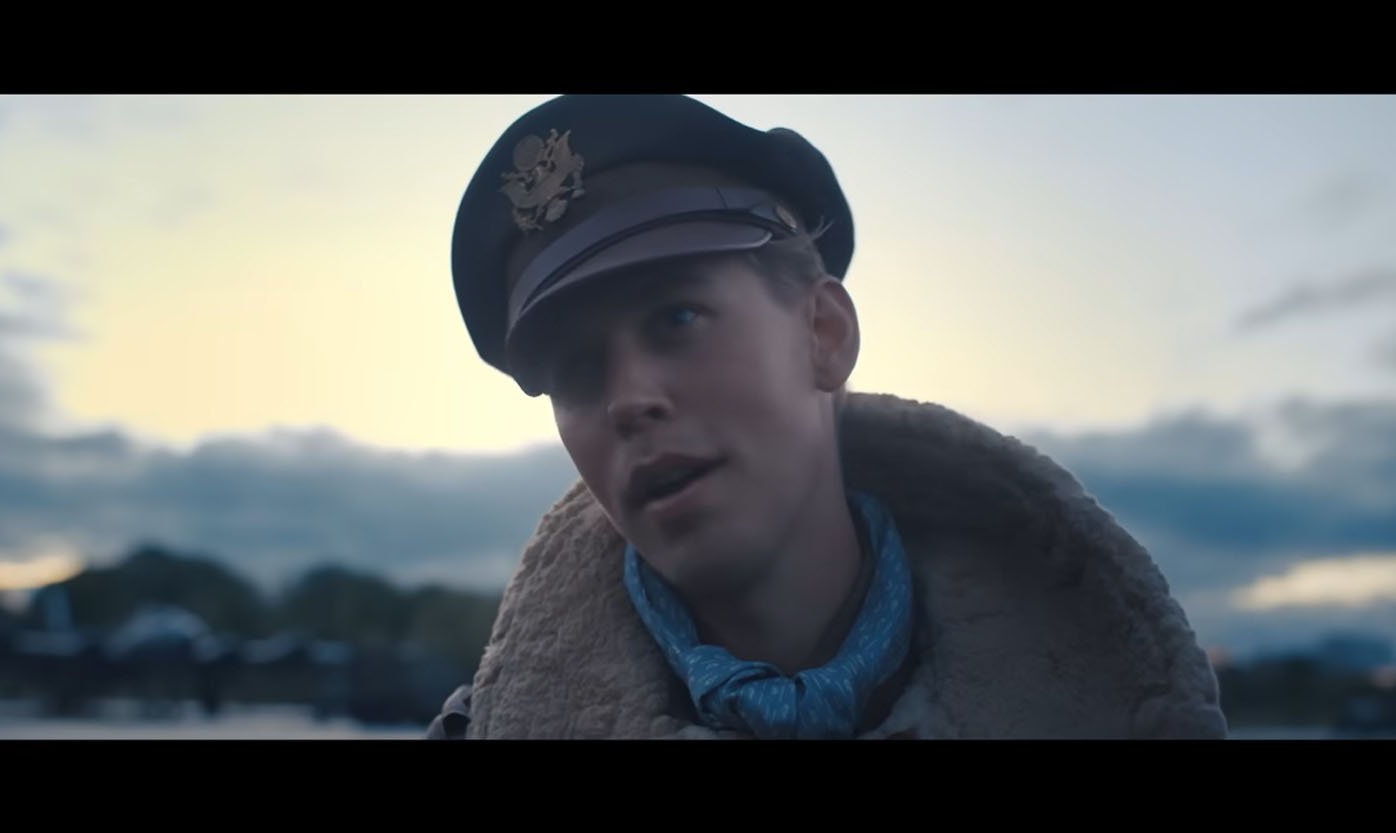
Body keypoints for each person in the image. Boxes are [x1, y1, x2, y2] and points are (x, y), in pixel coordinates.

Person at [428, 95, 1227, 739]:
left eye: (676, 318)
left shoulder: (1123, 710)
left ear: (824, 334)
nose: (628, 398)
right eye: (576, 370)